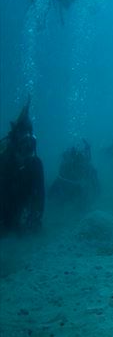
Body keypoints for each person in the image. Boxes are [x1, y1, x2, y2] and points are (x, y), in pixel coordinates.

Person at [0, 98, 45, 235]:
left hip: (18, 212)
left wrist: (34, 218)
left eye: (29, 144)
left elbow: (39, 196)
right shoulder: (3, 157)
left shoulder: (35, 164)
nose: (26, 148)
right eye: (22, 143)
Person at [49, 139, 100, 212]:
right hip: (67, 186)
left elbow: (94, 182)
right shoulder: (66, 166)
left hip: (76, 187)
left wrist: (96, 191)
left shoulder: (87, 166)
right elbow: (59, 180)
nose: (80, 165)